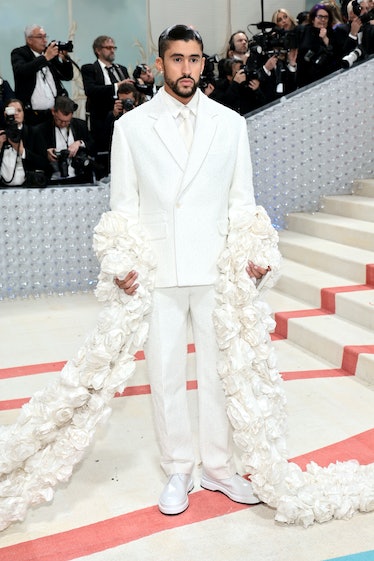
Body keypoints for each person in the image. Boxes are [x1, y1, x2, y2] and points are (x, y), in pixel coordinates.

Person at [110, 24, 272, 515]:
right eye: (177, 59)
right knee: (165, 374)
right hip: (157, 271)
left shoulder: (230, 124)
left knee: (220, 373)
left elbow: (242, 200)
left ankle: (220, 467)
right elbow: (124, 206)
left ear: (205, 64)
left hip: (215, 266)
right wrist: (121, 260)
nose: (187, 69)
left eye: (195, 59)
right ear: (161, 64)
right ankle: (179, 467)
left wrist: (253, 252)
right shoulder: (131, 126)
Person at [81, 35, 131, 177]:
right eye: (108, 48)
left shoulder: (121, 69)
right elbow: (91, 90)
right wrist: (117, 86)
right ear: (98, 50)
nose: (112, 50)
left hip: (123, 119)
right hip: (102, 121)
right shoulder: (90, 68)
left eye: (114, 47)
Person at [11, 24, 73, 126]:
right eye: (40, 37)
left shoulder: (49, 54)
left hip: (54, 113)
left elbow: (67, 76)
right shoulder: (19, 53)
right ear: (29, 40)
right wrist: (45, 58)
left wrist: (65, 59)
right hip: (32, 115)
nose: (44, 40)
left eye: (45, 37)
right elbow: (22, 70)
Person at [32, 96, 94, 184]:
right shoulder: (40, 130)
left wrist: (80, 143)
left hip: (80, 178)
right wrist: (46, 154)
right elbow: (34, 156)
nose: (64, 124)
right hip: (52, 179)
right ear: (53, 111)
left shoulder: (80, 125)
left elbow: (93, 146)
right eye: (60, 120)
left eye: (67, 121)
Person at [0, 98, 45, 187]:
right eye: (12, 111)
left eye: (19, 110)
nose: (16, 114)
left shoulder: (34, 132)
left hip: (29, 185)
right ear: (5, 114)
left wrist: (22, 151)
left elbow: (43, 163)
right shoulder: (1, 134)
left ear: (24, 113)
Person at [296, 3, 340, 87]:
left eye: (326, 17)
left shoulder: (333, 33)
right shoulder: (304, 32)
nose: (323, 20)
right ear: (313, 19)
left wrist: (325, 39)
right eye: (320, 17)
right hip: (305, 77)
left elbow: (335, 55)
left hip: (326, 77)